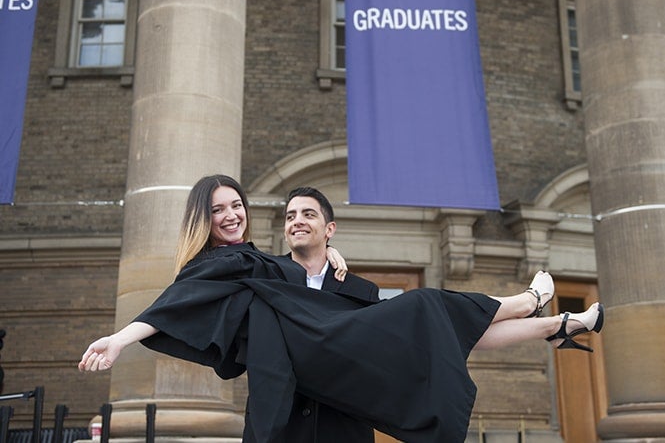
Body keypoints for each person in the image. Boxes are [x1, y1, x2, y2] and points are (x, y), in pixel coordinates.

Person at [79, 174, 604, 443]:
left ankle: (554, 319)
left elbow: (455, 334)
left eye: (237, 205)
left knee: (435, 318)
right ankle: (538, 304)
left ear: (330, 229)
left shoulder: (308, 274)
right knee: (427, 306)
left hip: (339, 415)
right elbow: (175, 305)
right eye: (218, 210)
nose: (232, 214)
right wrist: (119, 339)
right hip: (284, 415)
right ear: (205, 219)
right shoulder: (235, 266)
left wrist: (328, 262)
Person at [249, 186, 380, 443]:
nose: (297, 221)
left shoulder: (362, 292)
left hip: (342, 430)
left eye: (308, 214)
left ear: (329, 229)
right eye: (290, 216)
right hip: (276, 431)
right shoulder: (262, 279)